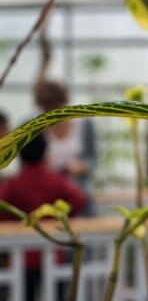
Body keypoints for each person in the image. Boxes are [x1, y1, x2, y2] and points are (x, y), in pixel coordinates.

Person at [0, 132, 87, 301]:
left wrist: (12, 223)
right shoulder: (55, 180)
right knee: (57, 295)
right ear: (45, 152)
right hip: (54, 250)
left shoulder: (14, 182)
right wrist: (61, 219)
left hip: (22, 255)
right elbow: (79, 199)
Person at [34, 80, 97, 215]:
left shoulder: (84, 124)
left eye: (56, 107)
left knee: (84, 201)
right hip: (47, 189)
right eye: (47, 109)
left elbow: (93, 159)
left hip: (76, 187)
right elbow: (28, 163)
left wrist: (81, 166)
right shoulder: (34, 126)